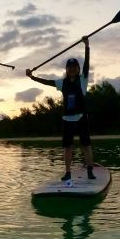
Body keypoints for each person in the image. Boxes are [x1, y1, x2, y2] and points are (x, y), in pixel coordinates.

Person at [26, 36, 96, 181]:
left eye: (74, 67)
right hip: (67, 118)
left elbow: (87, 64)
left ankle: (90, 170)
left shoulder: (83, 79)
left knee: (86, 145)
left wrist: (87, 46)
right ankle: (68, 172)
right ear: (67, 69)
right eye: (69, 67)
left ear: (77, 69)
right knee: (68, 147)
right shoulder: (61, 83)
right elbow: (46, 82)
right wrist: (32, 77)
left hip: (82, 116)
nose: (72, 69)